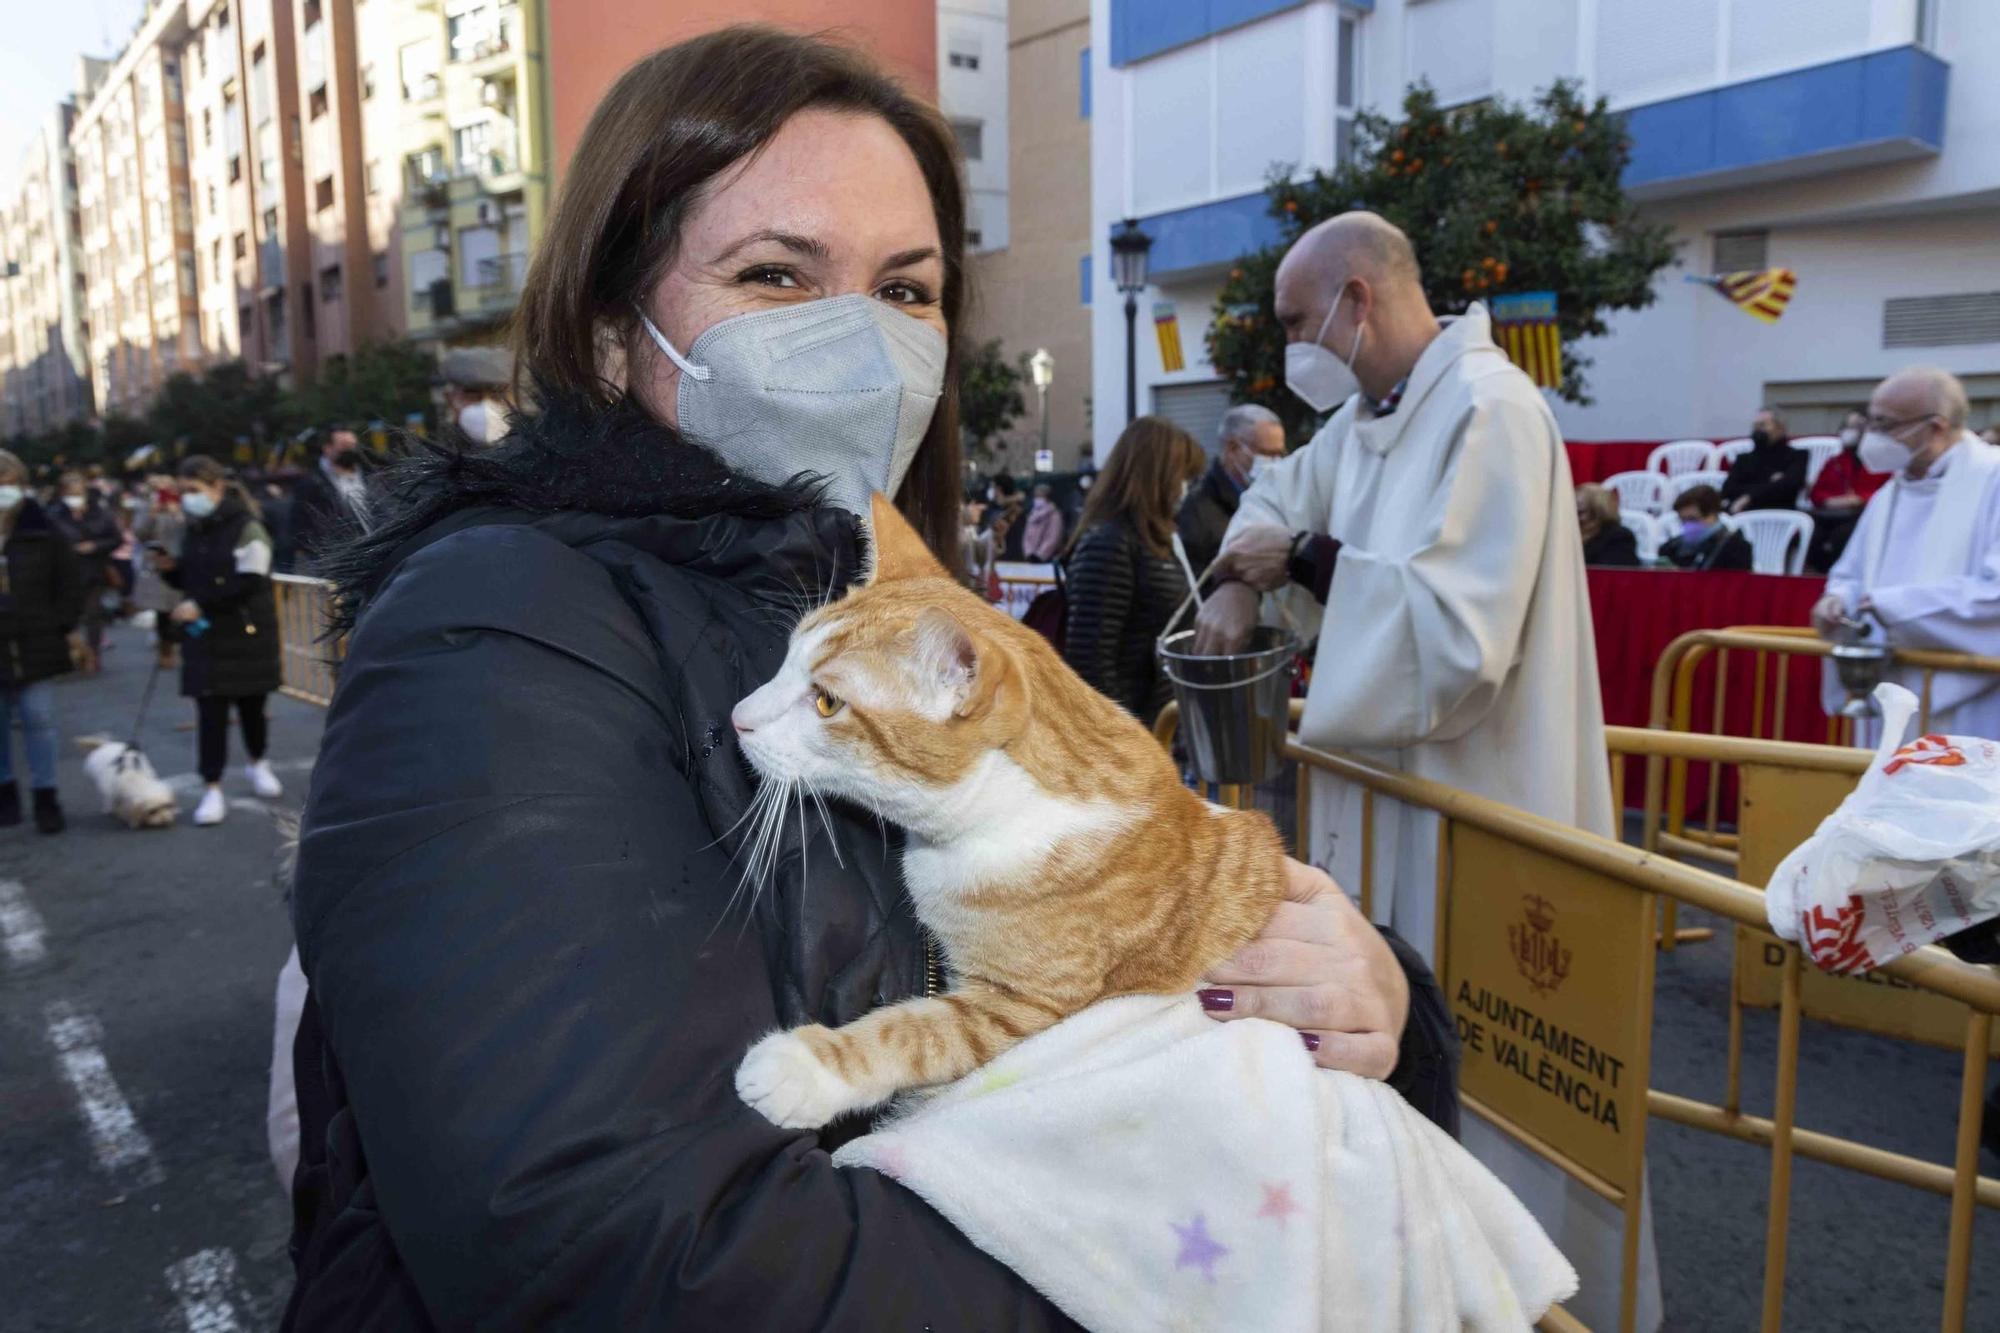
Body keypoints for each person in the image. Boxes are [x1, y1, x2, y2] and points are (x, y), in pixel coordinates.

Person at [283, 30, 1456, 1330]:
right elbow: (619, 1249)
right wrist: (1212, 1247)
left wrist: (1364, 991)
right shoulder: (497, 634)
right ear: (616, 336)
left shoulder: (880, 608)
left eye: (906, 290)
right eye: (776, 273)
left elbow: (1111, 898)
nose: (857, 335)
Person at [1191, 210, 1657, 1332]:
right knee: (1387, 1048)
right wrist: (1236, 582)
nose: (1293, 344)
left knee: (1502, 1089)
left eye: (1300, 319)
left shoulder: (1490, 411)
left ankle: (1523, 1298)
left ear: (1357, 298)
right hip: (1385, 802)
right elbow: (1271, 504)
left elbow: (1454, 636)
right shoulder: (1361, 421)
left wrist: (1296, 561)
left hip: (1484, 803)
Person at [1814, 367, 2000, 738]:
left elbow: (1994, 595)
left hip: (1971, 702)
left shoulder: (1991, 481)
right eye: (1872, 422)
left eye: (1887, 424)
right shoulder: (1890, 493)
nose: (1874, 435)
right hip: (1888, 690)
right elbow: (1852, 574)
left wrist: (1894, 607)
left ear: (1936, 427)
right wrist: (1837, 600)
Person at [161, 457, 285, 827]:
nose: (186, 499)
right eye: (182, 492)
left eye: (193, 491)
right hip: (206, 635)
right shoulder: (195, 528)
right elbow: (194, 578)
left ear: (216, 488)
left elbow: (251, 581)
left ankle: (258, 763)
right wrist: (171, 571)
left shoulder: (248, 526)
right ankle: (212, 787)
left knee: (252, 706)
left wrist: (199, 604)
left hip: (245, 632)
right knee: (210, 714)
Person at [1061, 417, 1205, 721]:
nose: (1185, 488)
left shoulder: (1158, 540)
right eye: (1183, 476)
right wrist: (1129, 741)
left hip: (1158, 726)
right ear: (1157, 475)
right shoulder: (1109, 543)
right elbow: (1090, 662)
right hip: (1129, 736)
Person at [0, 451, 81, 833]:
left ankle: (45, 795)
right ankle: (5, 794)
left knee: (39, 718)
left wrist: (60, 624)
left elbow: (68, 582)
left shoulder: (43, 530)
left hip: (36, 640)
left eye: (8, 483)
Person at [1177, 403, 1286, 578]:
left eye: (1280, 454)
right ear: (1232, 448)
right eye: (1266, 453)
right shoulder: (1198, 509)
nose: (1275, 463)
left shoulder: (1279, 498)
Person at [48, 469, 121, 674]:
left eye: (78, 493)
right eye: (70, 494)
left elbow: (115, 538)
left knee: (93, 615)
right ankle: (73, 652)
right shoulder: (53, 515)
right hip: (63, 573)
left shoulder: (100, 513)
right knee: (66, 615)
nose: (75, 498)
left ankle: (92, 654)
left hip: (92, 571)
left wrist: (95, 546)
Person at [1806, 410, 1891, 573]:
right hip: (1831, 514)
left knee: (1843, 536)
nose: (1849, 431)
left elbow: (1888, 490)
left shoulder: (1880, 461)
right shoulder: (1835, 462)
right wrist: (1828, 501)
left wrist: (1860, 499)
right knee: (1809, 533)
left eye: (1855, 427)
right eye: (1846, 426)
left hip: (1863, 514)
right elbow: (1816, 492)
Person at [288, 428, 370, 564]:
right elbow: (300, 524)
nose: (350, 450)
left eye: (353, 446)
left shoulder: (368, 477)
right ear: (327, 448)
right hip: (334, 559)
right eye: (344, 446)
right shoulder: (311, 483)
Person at [132, 474, 188, 668]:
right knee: (163, 612)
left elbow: (191, 530)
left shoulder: (184, 505)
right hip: (158, 564)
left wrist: (177, 513)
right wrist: (152, 514)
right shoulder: (147, 508)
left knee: (184, 607)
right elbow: (139, 533)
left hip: (182, 563)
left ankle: (185, 644)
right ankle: (166, 649)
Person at [1721, 406, 1807, 514]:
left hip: (1778, 517)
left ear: (1781, 428)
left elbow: (1789, 487)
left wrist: (1749, 497)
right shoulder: (1744, 459)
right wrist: (1772, 484)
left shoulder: (1797, 456)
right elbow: (1728, 490)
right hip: (1741, 514)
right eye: (1755, 425)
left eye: (1763, 425)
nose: (1757, 429)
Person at [1659, 484, 1753, 572]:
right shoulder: (1672, 548)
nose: (1688, 526)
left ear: (1712, 515)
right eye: (1683, 521)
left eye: (1693, 519)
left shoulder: (1737, 549)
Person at [441, 345, 514, 444]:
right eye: (472, 394)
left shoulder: (535, 447)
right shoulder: (435, 453)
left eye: (497, 394)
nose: (486, 407)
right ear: (449, 398)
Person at [1576, 483, 1641, 567]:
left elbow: (1609, 575)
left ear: (1599, 512)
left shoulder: (1618, 538)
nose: (1574, 518)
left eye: (1580, 513)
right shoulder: (1567, 535)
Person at [982, 472, 1027, 561]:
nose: (991, 490)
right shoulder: (993, 507)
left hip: (1009, 559)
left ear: (998, 488)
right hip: (995, 557)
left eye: (992, 486)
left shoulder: (1015, 510)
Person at [1020, 482, 1065, 561]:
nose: (1037, 498)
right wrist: (1028, 552)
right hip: (1030, 557)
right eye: (1036, 496)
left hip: (1045, 559)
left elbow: (1053, 537)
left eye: (1040, 496)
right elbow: (1026, 535)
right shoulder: (1032, 512)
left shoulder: (1054, 514)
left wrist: (1040, 555)